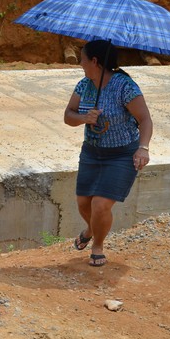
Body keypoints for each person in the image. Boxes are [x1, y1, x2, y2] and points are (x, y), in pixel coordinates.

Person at [64, 40, 153, 267]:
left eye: (83, 59)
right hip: (92, 153)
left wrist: (143, 148)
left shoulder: (124, 86)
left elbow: (145, 119)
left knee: (100, 205)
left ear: (94, 61)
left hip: (122, 155)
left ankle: (97, 246)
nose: (80, 64)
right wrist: (84, 118)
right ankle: (91, 230)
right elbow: (68, 115)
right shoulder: (84, 85)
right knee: (84, 203)